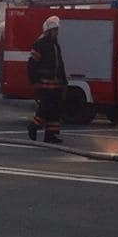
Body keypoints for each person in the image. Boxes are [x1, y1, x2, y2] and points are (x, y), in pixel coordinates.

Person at [26, 15, 66, 144]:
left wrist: (64, 81)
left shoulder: (55, 45)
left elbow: (60, 64)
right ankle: (33, 126)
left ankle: (50, 135)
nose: (56, 33)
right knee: (45, 109)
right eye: (54, 31)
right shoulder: (40, 45)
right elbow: (31, 65)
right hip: (44, 84)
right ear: (48, 31)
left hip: (56, 85)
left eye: (57, 31)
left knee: (55, 110)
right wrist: (35, 82)